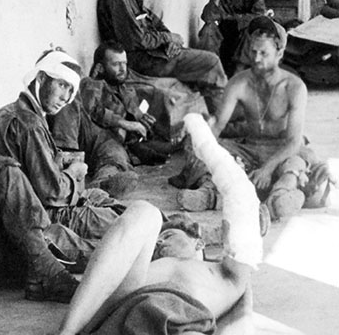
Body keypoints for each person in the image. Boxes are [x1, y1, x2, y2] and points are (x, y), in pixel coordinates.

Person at [56, 114, 263, 335]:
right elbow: (106, 264)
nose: (160, 242)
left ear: (199, 243)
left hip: (182, 321)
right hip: (124, 311)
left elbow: (241, 193)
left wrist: (201, 135)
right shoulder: (145, 268)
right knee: (145, 212)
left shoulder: (225, 274)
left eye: (170, 235)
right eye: (159, 239)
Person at [0, 49, 127, 303]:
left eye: (71, 90)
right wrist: (73, 173)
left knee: (103, 200)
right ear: (41, 79)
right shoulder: (28, 122)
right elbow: (52, 193)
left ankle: (161, 229)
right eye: (61, 85)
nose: (65, 97)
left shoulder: (19, 112)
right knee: (117, 233)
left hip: (35, 208)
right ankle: (162, 243)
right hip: (37, 218)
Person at [170, 16, 329, 222]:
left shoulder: (294, 87)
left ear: (279, 53)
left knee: (296, 163)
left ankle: (279, 198)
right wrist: (202, 140)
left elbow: (293, 141)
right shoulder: (239, 83)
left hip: (281, 149)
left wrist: (267, 168)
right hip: (248, 147)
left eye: (264, 53)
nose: (256, 59)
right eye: (253, 51)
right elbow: (217, 126)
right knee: (208, 152)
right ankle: (209, 194)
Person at [97, 0, 227, 114]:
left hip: (153, 53)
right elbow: (138, 41)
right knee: (211, 62)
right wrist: (168, 39)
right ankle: (220, 121)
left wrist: (168, 37)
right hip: (141, 61)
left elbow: (154, 22)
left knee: (199, 68)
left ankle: (212, 117)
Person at [80, 40, 180, 165]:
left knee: (177, 147)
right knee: (118, 167)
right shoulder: (91, 84)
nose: (123, 69)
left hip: (129, 141)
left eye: (124, 63)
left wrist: (140, 116)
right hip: (106, 144)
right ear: (100, 67)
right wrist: (126, 124)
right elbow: (91, 110)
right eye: (116, 64)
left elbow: (131, 107)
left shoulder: (121, 86)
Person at [200, 0, 266, 77]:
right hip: (225, 36)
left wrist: (231, 19)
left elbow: (259, 16)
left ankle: (236, 76)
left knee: (250, 31)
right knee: (208, 29)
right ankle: (211, 74)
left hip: (243, 37)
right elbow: (207, 17)